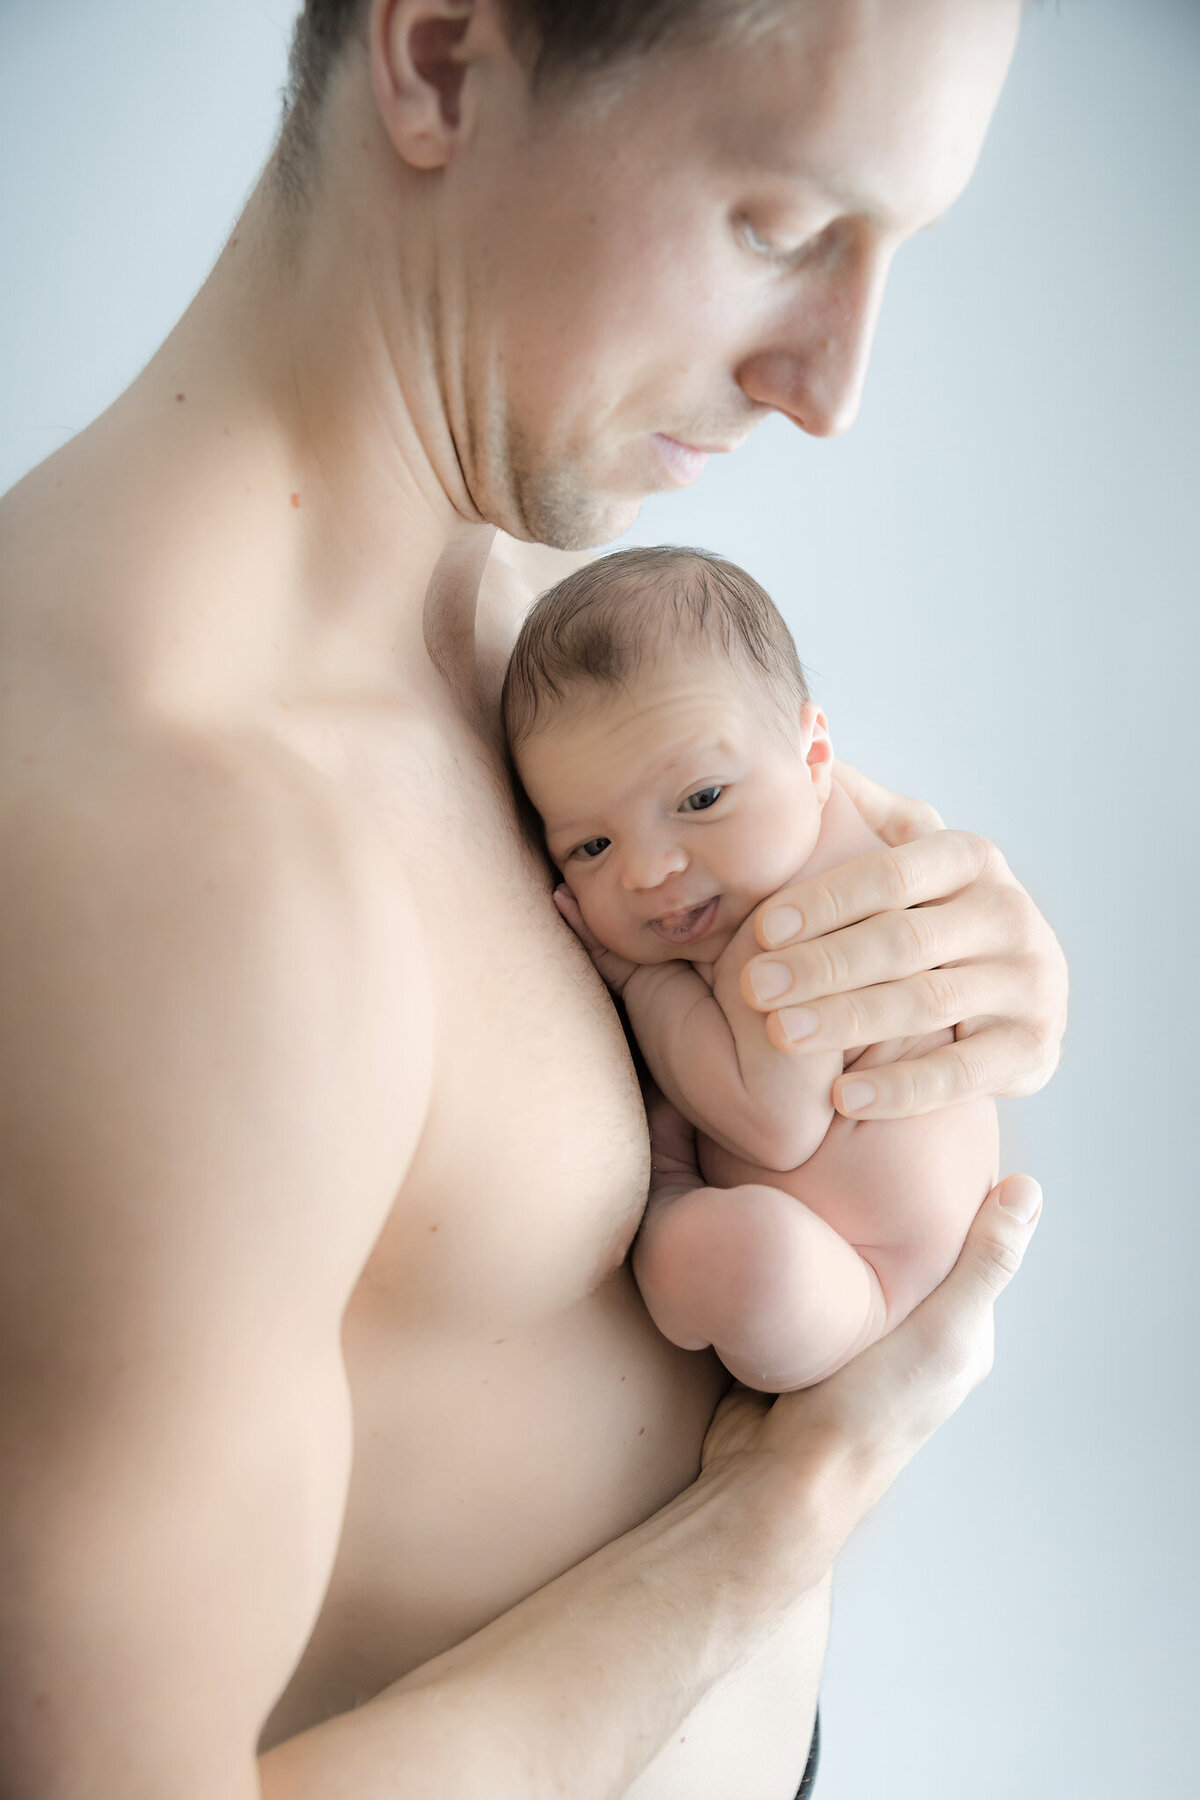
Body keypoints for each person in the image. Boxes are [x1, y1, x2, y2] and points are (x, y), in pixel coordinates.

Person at [0, 2, 1066, 1796]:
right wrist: (776, 1524)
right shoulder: (179, 853)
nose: (832, 382)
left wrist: (962, 968)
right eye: (785, 228)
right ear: (435, 64)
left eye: (894, 248)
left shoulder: (514, 591)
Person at [504, 546, 1001, 1393]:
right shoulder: (788, 853)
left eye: (701, 800)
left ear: (816, 759)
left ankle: (663, 1198)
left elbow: (775, 1122)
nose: (651, 870)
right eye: (592, 845)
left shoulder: (802, 921)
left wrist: (638, 982)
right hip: (874, 1252)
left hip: (864, 1288)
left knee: (748, 1263)